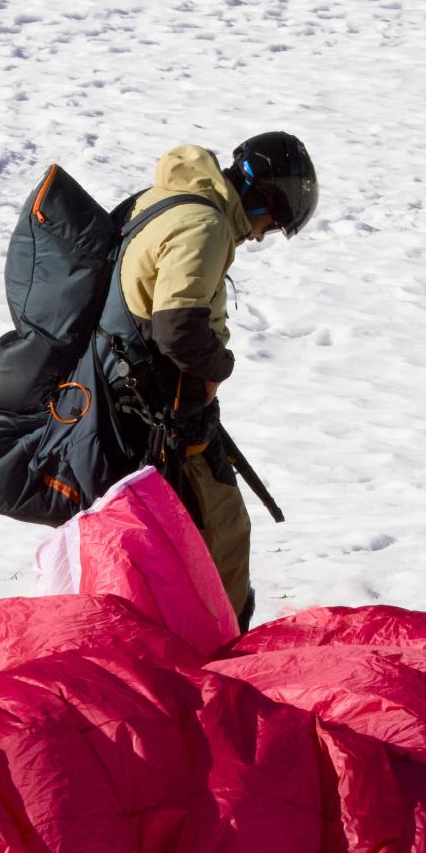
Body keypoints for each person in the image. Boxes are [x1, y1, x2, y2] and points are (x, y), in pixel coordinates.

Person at [98, 132, 318, 630]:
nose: (259, 235)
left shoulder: (167, 200)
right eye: (268, 221)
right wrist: (218, 370)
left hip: (131, 405)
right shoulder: (204, 223)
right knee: (220, 537)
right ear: (261, 196)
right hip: (163, 419)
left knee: (171, 543)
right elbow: (178, 328)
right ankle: (220, 658)